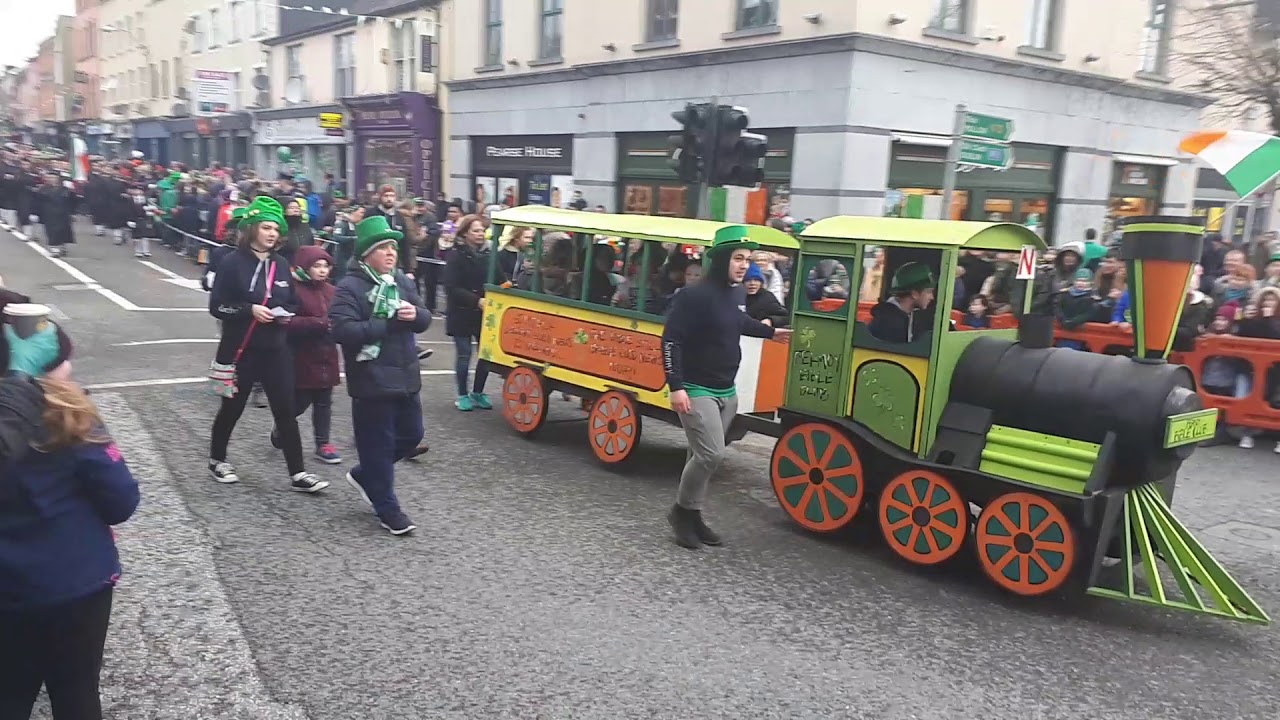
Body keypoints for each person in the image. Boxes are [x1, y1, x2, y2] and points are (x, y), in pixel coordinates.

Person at [0, 317, 140, 720]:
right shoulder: (71, 416)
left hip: (7, 586)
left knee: (9, 690)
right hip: (74, 581)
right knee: (76, 690)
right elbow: (121, 501)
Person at [661, 227, 791, 549]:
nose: (744, 265)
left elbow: (735, 323)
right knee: (711, 454)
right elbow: (670, 340)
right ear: (720, 260)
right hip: (695, 388)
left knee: (699, 456)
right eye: (737, 258)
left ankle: (692, 515)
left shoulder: (735, 294)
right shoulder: (692, 295)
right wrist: (676, 386)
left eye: (747, 259)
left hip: (726, 390)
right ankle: (680, 512)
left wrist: (769, 333)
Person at [206, 196, 328, 493]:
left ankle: (298, 472)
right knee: (232, 408)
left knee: (285, 410)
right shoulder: (231, 262)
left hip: (276, 348)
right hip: (241, 348)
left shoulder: (282, 263)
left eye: (276, 228)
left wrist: (284, 312)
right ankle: (217, 459)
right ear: (251, 229)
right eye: (266, 227)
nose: (272, 234)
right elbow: (217, 306)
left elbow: (290, 301)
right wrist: (249, 310)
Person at [329, 216, 432, 535]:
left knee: (411, 435)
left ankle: (365, 474)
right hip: (370, 379)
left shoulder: (402, 281)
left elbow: (424, 317)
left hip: (405, 374)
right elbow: (342, 330)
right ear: (366, 254)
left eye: (393, 247)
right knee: (378, 444)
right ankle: (387, 508)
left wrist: (415, 315)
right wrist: (386, 323)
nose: (391, 253)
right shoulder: (350, 287)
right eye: (384, 247)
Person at [280, 245, 343, 465]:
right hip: (302, 355)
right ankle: (281, 426)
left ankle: (323, 443)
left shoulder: (332, 291)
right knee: (300, 401)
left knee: (324, 402)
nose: (323, 270)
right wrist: (318, 324)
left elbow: (339, 316)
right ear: (304, 267)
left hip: (327, 354)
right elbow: (286, 321)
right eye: (317, 266)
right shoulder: (293, 289)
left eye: (326, 266)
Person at [443, 214, 492, 411]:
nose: (480, 234)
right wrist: (476, 300)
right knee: (464, 354)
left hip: (483, 314)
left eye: (482, 230)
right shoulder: (456, 255)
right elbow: (451, 287)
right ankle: (462, 395)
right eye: (475, 231)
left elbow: (498, 276)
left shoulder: (489, 254)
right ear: (465, 233)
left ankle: (478, 392)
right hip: (461, 312)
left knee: (485, 355)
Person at [868, 262, 937, 344]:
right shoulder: (889, 324)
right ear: (914, 294)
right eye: (928, 292)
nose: (932, 297)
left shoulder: (900, 316)